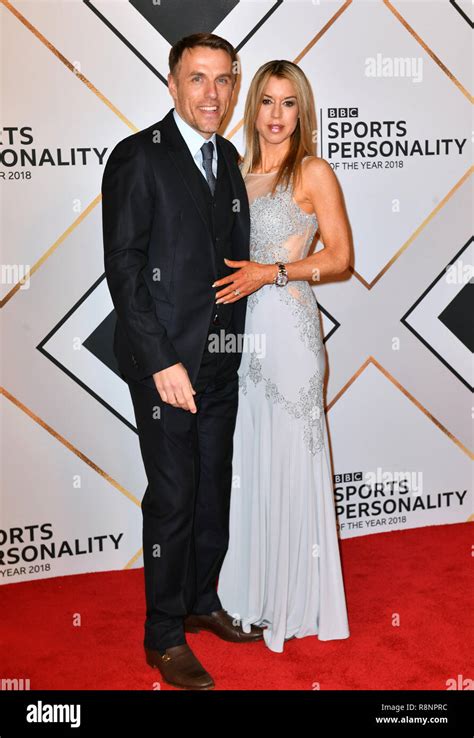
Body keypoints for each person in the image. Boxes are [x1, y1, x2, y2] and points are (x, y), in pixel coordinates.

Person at [101, 33, 265, 691]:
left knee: (212, 488)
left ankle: (201, 600)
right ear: (171, 84)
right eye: (198, 79)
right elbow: (125, 267)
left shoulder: (226, 155)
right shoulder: (138, 157)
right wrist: (161, 360)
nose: (213, 94)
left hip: (219, 361)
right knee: (172, 498)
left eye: (224, 80)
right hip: (163, 363)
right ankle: (163, 634)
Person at [215, 60, 352, 652]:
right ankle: (257, 591)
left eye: (287, 103)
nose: (275, 115)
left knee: (292, 460)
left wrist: (271, 271)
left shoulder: (312, 172)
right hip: (246, 342)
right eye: (266, 102)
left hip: (292, 336)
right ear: (254, 109)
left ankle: (299, 597)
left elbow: (341, 258)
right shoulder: (234, 173)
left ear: (302, 111)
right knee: (253, 459)